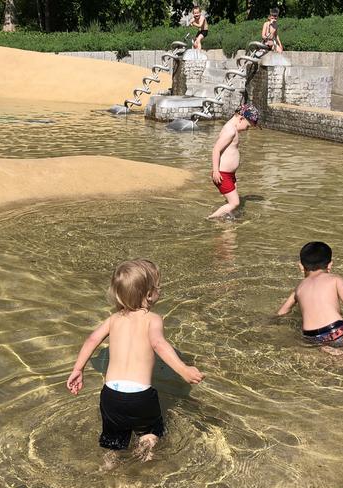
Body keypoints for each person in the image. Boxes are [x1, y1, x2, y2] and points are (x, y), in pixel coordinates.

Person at [66, 259, 204, 462]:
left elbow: (92, 339)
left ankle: (109, 465)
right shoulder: (153, 319)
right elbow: (158, 344)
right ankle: (144, 460)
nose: (160, 290)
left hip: (110, 395)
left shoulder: (113, 319)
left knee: (114, 441)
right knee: (150, 431)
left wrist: (78, 369)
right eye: (158, 287)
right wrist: (182, 369)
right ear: (149, 294)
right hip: (140, 396)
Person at [276, 242, 343, 347]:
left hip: (310, 336)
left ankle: (331, 350)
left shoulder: (299, 288)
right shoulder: (335, 279)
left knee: (326, 345)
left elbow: (282, 312)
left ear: (301, 266)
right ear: (330, 265)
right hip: (336, 329)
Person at [208, 103, 260, 220]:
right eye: (247, 127)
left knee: (233, 202)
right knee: (235, 203)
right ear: (241, 119)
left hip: (230, 175)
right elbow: (216, 149)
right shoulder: (230, 131)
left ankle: (227, 218)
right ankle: (211, 218)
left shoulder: (233, 129)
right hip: (222, 174)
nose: (246, 130)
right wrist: (216, 171)